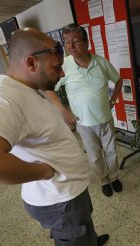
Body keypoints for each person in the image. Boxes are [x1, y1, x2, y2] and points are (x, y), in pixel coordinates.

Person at [0, 28, 108, 246]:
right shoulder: (3, 99)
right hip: (59, 198)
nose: (62, 73)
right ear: (31, 63)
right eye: (57, 67)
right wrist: (40, 171)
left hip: (70, 190)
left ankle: (89, 242)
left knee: (83, 227)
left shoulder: (28, 86)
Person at [45, 23, 123, 198]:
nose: (70, 46)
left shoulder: (101, 63)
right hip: (83, 123)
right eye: (66, 42)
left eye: (75, 41)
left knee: (111, 152)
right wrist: (63, 110)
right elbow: (49, 90)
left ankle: (114, 176)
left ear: (87, 42)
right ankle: (104, 180)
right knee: (95, 156)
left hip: (105, 118)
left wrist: (113, 100)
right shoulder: (64, 66)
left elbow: (118, 80)